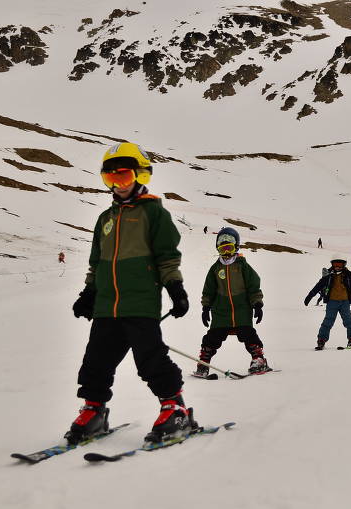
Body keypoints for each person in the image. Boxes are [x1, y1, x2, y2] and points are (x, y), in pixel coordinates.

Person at [68, 142, 192, 445]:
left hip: (140, 302)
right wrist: (89, 292)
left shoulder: (153, 213)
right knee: (95, 360)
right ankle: (94, 409)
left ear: (139, 175)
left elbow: (167, 256)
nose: (117, 185)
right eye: (110, 179)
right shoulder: (105, 219)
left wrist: (175, 287)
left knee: (150, 359)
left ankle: (175, 408)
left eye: (122, 177)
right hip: (106, 305)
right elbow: (97, 262)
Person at [194, 226, 270, 378]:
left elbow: (253, 286)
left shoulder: (243, 266)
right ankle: (203, 363)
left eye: (229, 248)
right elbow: (208, 290)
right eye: (223, 249)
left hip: (242, 309)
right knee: (212, 337)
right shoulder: (215, 269)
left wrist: (257, 304)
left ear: (236, 247)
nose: (226, 253)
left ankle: (259, 359)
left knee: (248, 334)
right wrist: (205, 307)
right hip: (221, 311)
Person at [304, 255, 351, 350]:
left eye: (340, 264)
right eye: (335, 264)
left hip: (345, 302)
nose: (337, 266)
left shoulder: (348, 274)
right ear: (332, 264)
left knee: (348, 321)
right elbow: (318, 286)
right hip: (332, 302)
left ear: (344, 264)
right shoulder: (329, 275)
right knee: (328, 321)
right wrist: (309, 296)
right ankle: (321, 340)